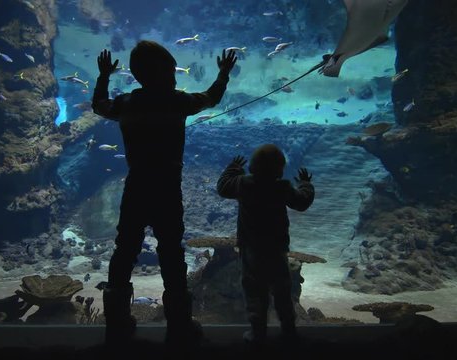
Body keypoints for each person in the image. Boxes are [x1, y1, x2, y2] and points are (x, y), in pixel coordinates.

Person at [91, 40, 237, 345]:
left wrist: (104, 75)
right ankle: (180, 327)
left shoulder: (127, 104)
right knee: (171, 252)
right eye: (171, 70)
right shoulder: (177, 101)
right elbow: (211, 98)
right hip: (167, 189)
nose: (174, 75)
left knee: (124, 251)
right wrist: (223, 73)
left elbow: (99, 105)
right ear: (163, 73)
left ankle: (117, 326)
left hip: (136, 186)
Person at [216, 144, 314, 344]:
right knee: (282, 292)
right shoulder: (283, 187)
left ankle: (258, 332)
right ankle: (289, 330)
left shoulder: (243, 183)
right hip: (277, 249)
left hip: (251, 250)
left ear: (252, 166)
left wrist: (233, 167)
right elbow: (302, 202)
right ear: (280, 169)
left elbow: (223, 187)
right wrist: (305, 184)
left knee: (254, 292)